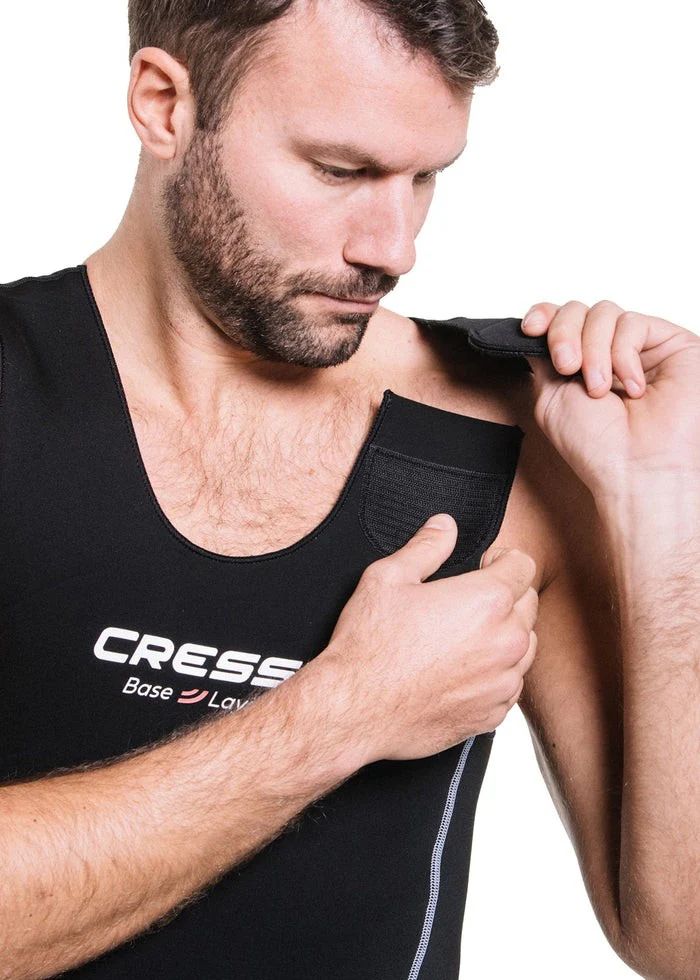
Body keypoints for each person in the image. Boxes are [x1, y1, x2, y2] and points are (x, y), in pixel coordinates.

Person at [0, 0, 698, 978]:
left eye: (425, 178)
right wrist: (343, 713)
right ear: (163, 104)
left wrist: (664, 504)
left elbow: (680, 937)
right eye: (339, 170)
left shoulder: (509, 431)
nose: (393, 248)